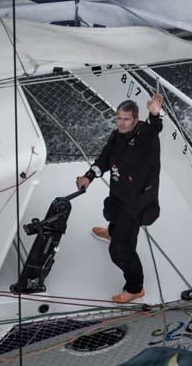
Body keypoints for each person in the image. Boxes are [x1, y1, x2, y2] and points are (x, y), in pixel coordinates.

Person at [75, 93, 163, 304]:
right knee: (112, 213)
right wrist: (89, 176)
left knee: (120, 251)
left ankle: (135, 288)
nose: (121, 123)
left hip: (136, 203)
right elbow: (105, 158)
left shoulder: (145, 136)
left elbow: (155, 128)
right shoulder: (117, 134)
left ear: (135, 119)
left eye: (126, 119)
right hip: (119, 193)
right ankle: (112, 232)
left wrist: (156, 114)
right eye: (119, 118)